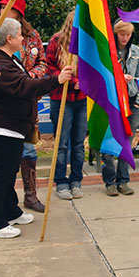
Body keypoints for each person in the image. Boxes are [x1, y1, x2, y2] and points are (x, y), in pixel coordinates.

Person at [0, 18, 71, 238]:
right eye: (19, 35)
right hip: (1, 127)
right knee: (1, 175)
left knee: (9, 173)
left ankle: (10, 210)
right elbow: (24, 86)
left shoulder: (10, 60)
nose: (23, 38)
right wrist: (56, 80)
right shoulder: (0, 62)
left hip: (12, 127)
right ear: (9, 38)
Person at [0, 0, 48, 213]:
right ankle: (2, 210)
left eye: (9, 8)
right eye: (1, 7)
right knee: (5, 163)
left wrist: (30, 79)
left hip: (26, 102)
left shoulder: (31, 36)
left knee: (27, 153)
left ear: (19, 14)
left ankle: (29, 195)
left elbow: (42, 62)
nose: (3, 11)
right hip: (2, 107)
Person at [45, 11, 88, 200]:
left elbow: (93, 68)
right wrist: (71, 80)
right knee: (61, 144)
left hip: (81, 100)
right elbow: (50, 68)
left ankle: (76, 180)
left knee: (78, 144)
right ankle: (61, 182)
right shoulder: (56, 41)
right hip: (61, 98)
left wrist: (85, 82)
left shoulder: (87, 44)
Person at [103, 20, 139, 196]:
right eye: (122, 35)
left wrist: (137, 102)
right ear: (115, 33)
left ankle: (123, 180)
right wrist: (119, 77)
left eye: (128, 35)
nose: (125, 38)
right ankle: (110, 182)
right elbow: (103, 75)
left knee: (126, 143)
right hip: (112, 102)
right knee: (109, 141)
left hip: (131, 101)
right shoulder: (108, 50)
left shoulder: (136, 51)